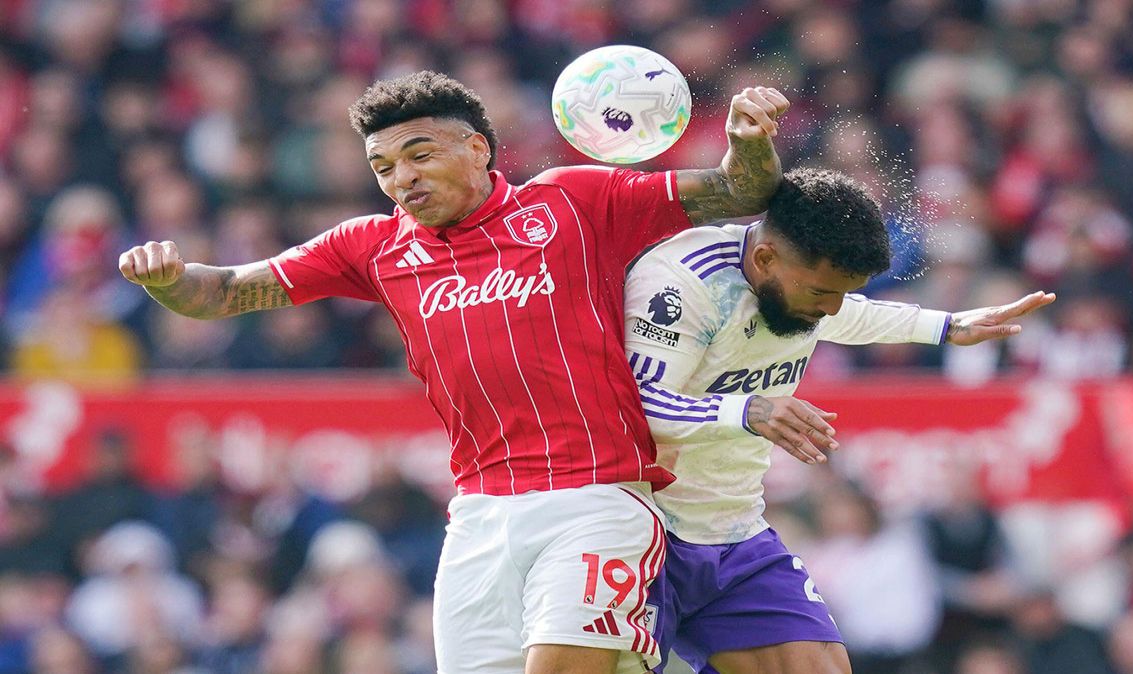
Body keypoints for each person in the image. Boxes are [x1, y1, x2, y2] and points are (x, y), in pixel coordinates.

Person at [118, 70, 790, 674]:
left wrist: (749, 141)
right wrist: (169, 281)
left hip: (596, 500)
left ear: (477, 148)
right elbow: (226, 291)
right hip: (478, 516)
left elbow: (739, 188)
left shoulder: (570, 202)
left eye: (419, 154)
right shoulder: (372, 246)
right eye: (382, 166)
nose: (401, 179)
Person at [622, 167, 1055, 674]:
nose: (830, 311)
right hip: (641, 532)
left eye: (840, 294)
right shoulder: (684, 284)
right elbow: (635, 409)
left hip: (731, 532)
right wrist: (748, 410)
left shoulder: (797, 283)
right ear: (765, 259)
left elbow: (849, 312)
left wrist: (947, 326)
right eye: (821, 295)